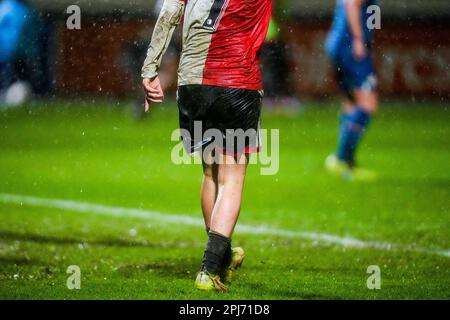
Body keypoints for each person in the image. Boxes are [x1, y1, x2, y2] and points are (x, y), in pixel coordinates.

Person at [141, 0, 273, 291]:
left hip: (193, 85)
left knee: (211, 173)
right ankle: (209, 269)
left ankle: (222, 256)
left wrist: (150, 69)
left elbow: (168, 12)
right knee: (231, 179)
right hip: (235, 81)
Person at [325, 0, 379, 181]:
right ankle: (343, 159)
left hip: (339, 43)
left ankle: (342, 160)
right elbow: (352, 3)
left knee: (351, 102)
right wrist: (359, 39)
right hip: (349, 45)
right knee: (368, 103)